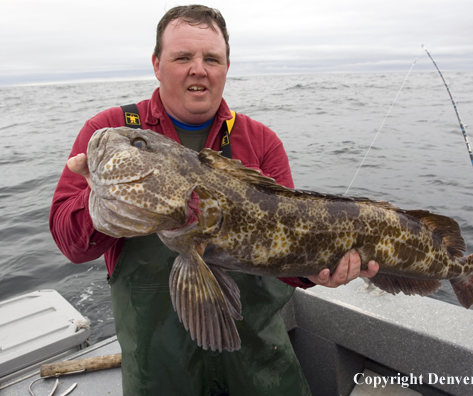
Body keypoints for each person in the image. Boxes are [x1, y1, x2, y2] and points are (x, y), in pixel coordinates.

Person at [49, 5, 379, 396]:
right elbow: (69, 241)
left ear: (225, 66)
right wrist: (98, 206)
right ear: (157, 64)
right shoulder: (111, 130)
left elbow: (287, 251)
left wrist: (314, 272)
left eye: (211, 58)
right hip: (161, 373)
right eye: (182, 57)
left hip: (261, 366)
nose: (198, 69)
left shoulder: (260, 141)